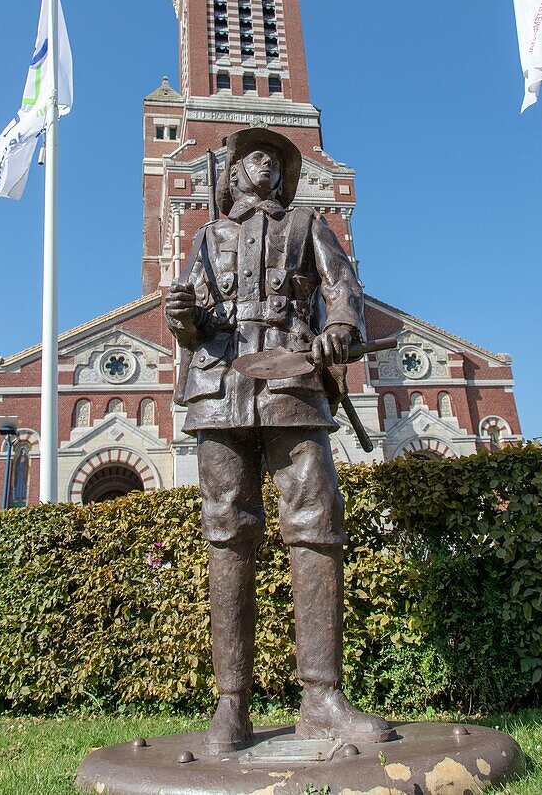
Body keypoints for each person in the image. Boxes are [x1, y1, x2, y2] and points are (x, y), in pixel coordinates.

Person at [165, 127, 391, 754]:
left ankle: (322, 699)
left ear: (284, 176)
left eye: (272, 159)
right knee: (226, 529)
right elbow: (195, 326)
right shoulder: (207, 240)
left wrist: (340, 327)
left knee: (316, 523)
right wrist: (182, 316)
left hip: (293, 382)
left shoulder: (309, 226)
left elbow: (344, 291)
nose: (262, 165)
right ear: (232, 176)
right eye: (250, 159)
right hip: (220, 391)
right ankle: (230, 706)